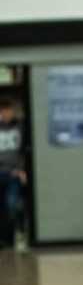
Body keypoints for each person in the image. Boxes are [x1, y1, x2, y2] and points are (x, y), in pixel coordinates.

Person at [0, 98, 26, 248]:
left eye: (9, 110)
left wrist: (22, 169)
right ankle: (5, 239)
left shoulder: (20, 126)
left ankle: (18, 234)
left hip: (14, 173)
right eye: (3, 111)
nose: (6, 114)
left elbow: (25, 150)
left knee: (12, 204)